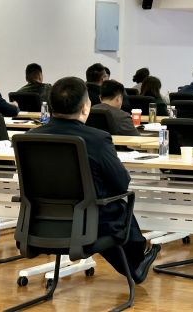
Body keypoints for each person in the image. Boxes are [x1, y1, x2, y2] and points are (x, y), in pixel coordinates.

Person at [28, 77, 160, 283]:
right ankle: (135, 265)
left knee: (102, 209)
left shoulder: (31, 136)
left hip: (40, 224)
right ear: (85, 108)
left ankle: (134, 267)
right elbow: (121, 183)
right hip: (89, 225)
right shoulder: (97, 139)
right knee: (114, 209)